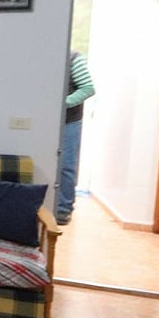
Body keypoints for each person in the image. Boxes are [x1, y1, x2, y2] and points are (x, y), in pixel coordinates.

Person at [57, 50, 96, 225]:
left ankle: (64, 208)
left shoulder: (73, 58)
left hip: (70, 120)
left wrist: (62, 103)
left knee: (66, 164)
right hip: (47, 119)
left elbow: (88, 88)